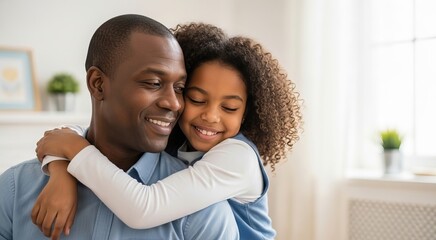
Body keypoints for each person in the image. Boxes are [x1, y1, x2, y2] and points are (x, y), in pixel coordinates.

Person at [34, 23, 303, 239]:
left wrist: (74, 150)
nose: (210, 116)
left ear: (247, 114)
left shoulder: (238, 157)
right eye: (196, 100)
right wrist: (60, 172)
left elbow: (144, 208)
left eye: (230, 108)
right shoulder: (183, 140)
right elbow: (69, 135)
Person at [0, 14, 240, 240]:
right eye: (154, 83)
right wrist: (61, 167)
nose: (174, 103)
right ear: (98, 84)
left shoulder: (202, 210)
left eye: (179, 88)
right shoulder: (15, 188)